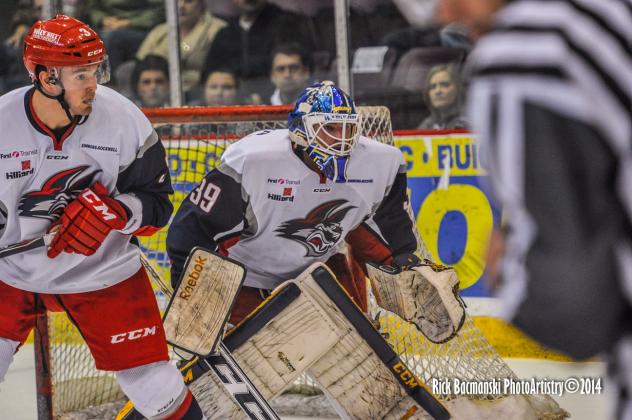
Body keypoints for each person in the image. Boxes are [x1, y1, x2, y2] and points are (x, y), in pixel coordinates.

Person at [0, 15, 203, 419]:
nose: (94, 83)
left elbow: (159, 205)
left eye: (96, 70)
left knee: (156, 387)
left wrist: (115, 212)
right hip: (11, 272)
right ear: (46, 79)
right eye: (81, 75)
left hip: (103, 272)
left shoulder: (124, 122)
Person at [441, 0, 632, 417]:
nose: (445, 17)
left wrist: (509, 271)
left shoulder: (528, 48)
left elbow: (575, 307)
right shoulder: (608, 16)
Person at [167, 80, 420, 324]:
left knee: (360, 361)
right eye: (330, 128)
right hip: (243, 282)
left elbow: (389, 226)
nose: (342, 140)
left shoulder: (379, 162)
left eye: (348, 128)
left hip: (313, 278)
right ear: (301, 130)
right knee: (249, 366)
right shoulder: (255, 161)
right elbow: (191, 230)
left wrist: (405, 263)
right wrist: (191, 293)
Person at [202, 0, 315, 104]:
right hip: (233, 106)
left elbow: (304, 71)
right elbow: (210, 75)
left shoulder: (288, 25)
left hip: (278, 104)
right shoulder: (225, 34)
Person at [136, 0, 226, 93]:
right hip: (159, 91)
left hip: (198, 90)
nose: (181, 6)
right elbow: (141, 61)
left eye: (189, 1)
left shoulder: (218, 29)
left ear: (201, 4)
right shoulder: (159, 30)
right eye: (176, 1)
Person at [86, 0, 165, 76]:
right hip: (108, 25)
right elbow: (93, 8)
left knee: (111, 37)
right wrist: (103, 20)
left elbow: (158, 10)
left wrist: (129, 22)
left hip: (141, 27)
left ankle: (115, 83)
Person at [418, 63, 467, 130]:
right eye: (433, 87)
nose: (438, 91)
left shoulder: (468, 124)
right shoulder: (427, 125)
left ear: (457, 89)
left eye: (445, 85)